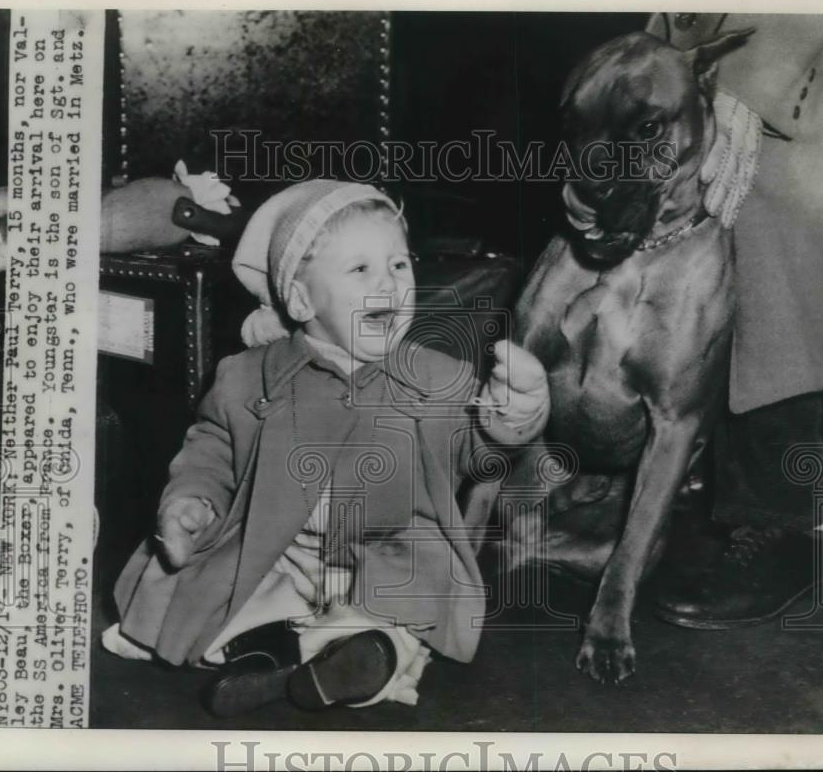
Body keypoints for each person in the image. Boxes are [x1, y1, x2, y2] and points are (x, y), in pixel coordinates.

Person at [103, 179, 550, 714]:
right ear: (299, 297)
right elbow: (212, 448)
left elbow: (480, 455)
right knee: (214, 591)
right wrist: (192, 501)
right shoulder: (250, 376)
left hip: (387, 555)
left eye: (400, 265)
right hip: (276, 551)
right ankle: (274, 650)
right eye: (360, 269)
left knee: (403, 609)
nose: (389, 281)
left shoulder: (439, 379)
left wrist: (514, 422)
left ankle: (337, 654)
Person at [644, 14, 823, 627]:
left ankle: (786, 522)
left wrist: (746, 85)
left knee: (769, 270)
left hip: (820, 76)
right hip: (756, 57)